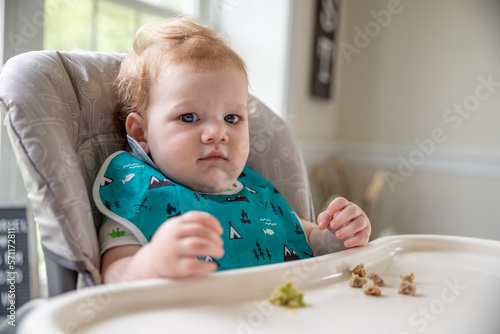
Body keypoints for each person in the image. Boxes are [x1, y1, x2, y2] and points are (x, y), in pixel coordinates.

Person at [93, 17, 371, 283]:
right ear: (142, 133)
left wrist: (334, 237)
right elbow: (115, 278)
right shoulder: (138, 193)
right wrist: (152, 263)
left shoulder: (254, 192)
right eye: (189, 117)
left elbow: (305, 238)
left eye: (231, 118)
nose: (218, 133)